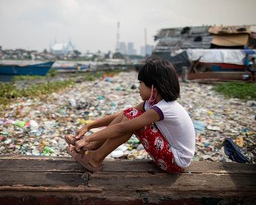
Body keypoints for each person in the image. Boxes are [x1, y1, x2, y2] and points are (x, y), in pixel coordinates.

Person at [65, 56, 196, 173]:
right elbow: (122, 114)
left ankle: (94, 159)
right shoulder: (153, 104)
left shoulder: (163, 108)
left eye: (141, 83)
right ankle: (92, 147)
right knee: (130, 113)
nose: (138, 87)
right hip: (169, 155)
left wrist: (88, 138)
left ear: (153, 87)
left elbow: (122, 127)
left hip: (175, 162)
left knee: (132, 119)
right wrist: (89, 127)